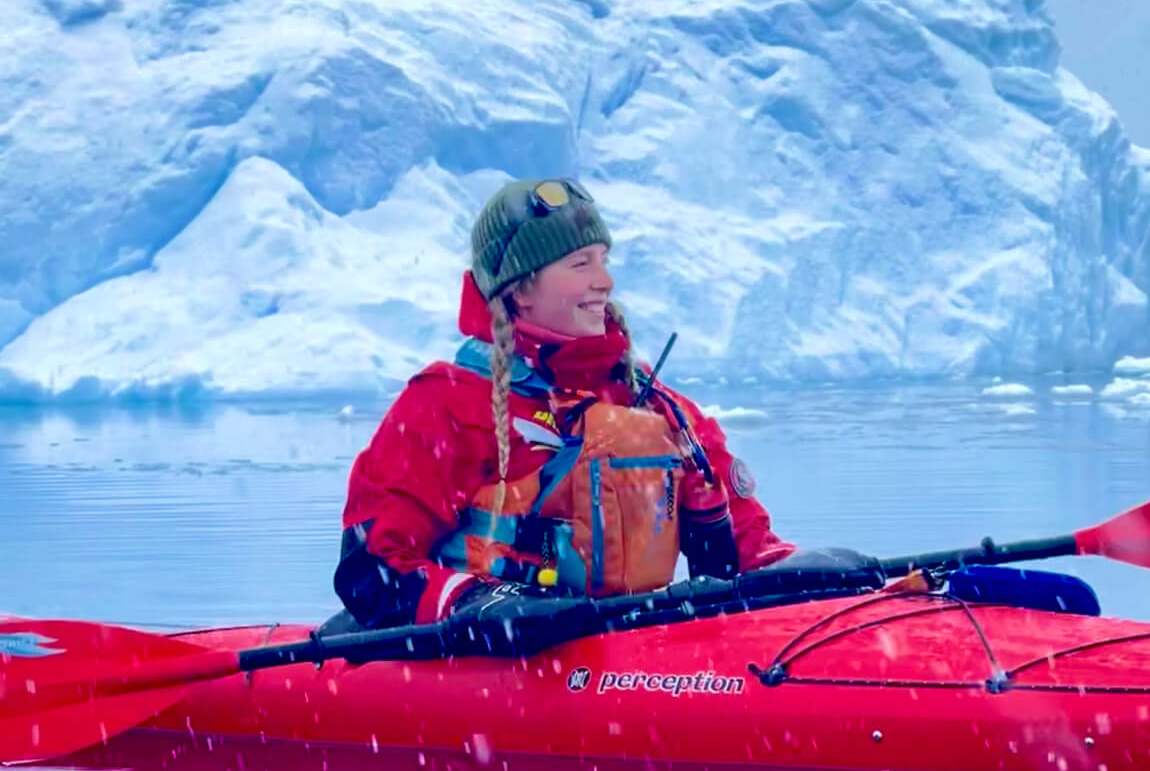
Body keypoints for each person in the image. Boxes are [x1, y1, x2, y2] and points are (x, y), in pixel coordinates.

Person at [335, 177, 866, 640]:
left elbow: (743, 548)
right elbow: (371, 571)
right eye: (580, 263)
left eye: (603, 261)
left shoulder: (653, 404)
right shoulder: (447, 403)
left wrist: (784, 570)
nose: (605, 282)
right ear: (519, 290)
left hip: (623, 657)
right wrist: (475, 604)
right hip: (491, 664)